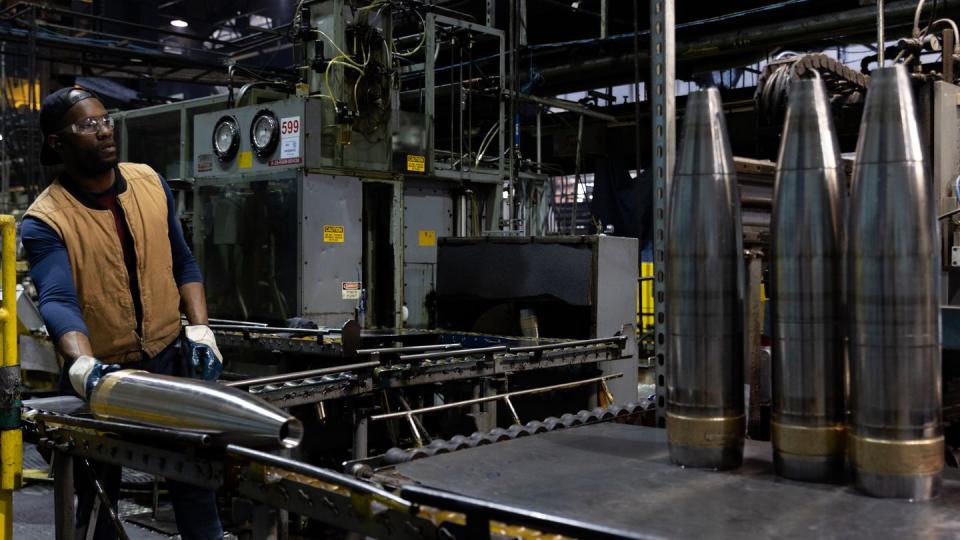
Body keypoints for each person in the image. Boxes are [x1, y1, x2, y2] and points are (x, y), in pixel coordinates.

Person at [21, 86, 224, 540]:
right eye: (86, 125)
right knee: (99, 507)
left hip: (171, 362)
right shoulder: (47, 219)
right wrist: (84, 364)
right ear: (57, 142)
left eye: (105, 120)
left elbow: (183, 262)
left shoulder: (150, 183)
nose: (103, 131)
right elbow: (57, 298)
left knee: (196, 490)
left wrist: (201, 331)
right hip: (105, 377)